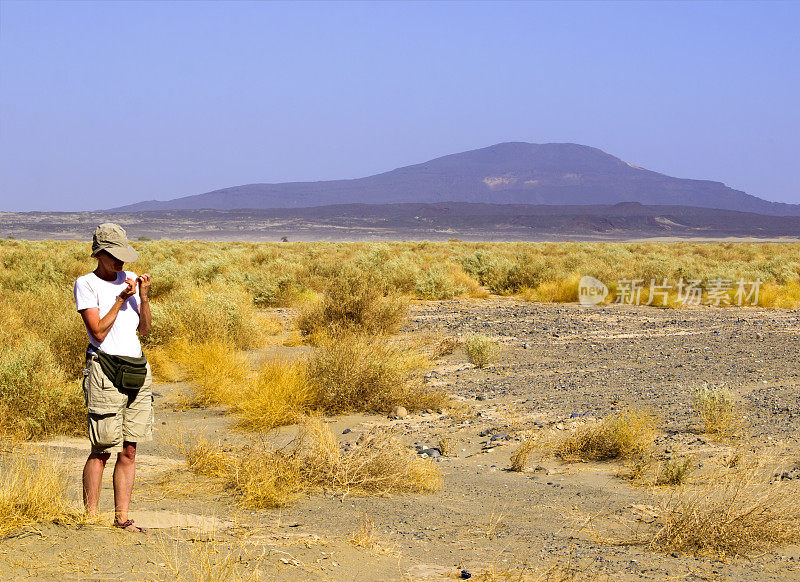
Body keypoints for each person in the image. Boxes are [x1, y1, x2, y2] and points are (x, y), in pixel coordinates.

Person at [73, 223, 153, 533]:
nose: (121, 263)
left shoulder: (131, 280)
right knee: (102, 447)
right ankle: (91, 518)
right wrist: (120, 299)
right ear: (100, 254)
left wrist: (143, 298)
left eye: (123, 256)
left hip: (136, 369)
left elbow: (144, 330)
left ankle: (122, 518)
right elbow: (97, 331)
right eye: (115, 257)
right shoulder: (86, 284)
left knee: (129, 450)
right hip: (104, 368)